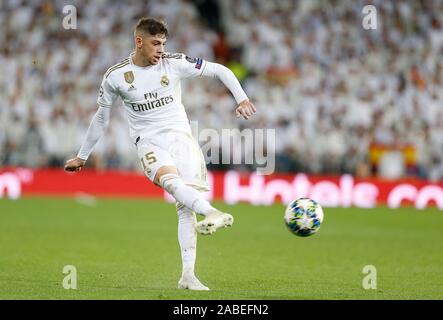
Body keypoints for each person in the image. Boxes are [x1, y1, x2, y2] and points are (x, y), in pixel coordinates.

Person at [64, 17, 256, 291]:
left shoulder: (174, 62)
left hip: (182, 139)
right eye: (155, 43)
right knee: (171, 184)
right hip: (149, 142)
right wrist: (82, 156)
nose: (161, 49)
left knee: (183, 207)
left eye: (164, 43)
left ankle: (188, 276)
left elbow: (219, 70)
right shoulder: (116, 76)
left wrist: (242, 99)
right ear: (139, 41)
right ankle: (211, 211)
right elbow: (101, 118)